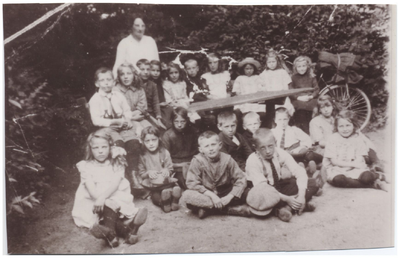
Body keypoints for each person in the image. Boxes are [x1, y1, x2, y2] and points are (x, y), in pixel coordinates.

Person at [72, 129, 147, 247]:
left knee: (111, 207)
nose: (100, 151)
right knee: (109, 208)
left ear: (110, 147)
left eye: (104, 147)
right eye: (96, 148)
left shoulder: (117, 163)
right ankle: (128, 231)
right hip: (93, 199)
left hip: (114, 194)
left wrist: (106, 200)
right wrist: (104, 201)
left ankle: (110, 235)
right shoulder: (86, 166)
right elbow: (91, 189)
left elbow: (115, 184)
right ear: (90, 149)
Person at [245, 128, 320, 222]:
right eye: (262, 148)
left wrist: (301, 195)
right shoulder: (252, 160)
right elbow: (264, 188)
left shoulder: (279, 152)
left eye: (270, 146)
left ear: (275, 143)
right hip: (262, 191)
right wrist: (287, 199)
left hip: (278, 186)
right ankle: (293, 206)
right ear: (255, 147)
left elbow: (299, 171)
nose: (268, 151)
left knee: (312, 183)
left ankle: (290, 207)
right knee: (263, 199)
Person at [88, 67, 141, 184]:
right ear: (97, 83)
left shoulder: (118, 96)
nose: (106, 82)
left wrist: (127, 119)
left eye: (109, 79)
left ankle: (133, 174)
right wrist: (112, 122)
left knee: (134, 144)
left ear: (113, 81)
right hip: (107, 129)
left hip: (123, 127)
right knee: (119, 145)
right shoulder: (95, 99)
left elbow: (127, 110)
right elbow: (95, 120)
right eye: (102, 80)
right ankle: (120, 176)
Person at [182, 131, 252, 219]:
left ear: (220, 145)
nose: (211, 148)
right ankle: (230, 210)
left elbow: (241, 179)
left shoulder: (228, 159)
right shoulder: (197, 160)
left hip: (225, 192)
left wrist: (229, 196)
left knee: (247, 192)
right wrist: (212, 196)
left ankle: (208, 209)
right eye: (206, 146)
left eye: (213, 144)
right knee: (187, 196)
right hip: (207, 194)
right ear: (201, 149)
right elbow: (192, 183)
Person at [322, 110, 388, 190]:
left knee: (366, 177)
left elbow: (360, 158)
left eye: (348, 125)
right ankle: (374, 184)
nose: (345, 129)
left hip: (355, 168)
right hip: (337, 169)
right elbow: (334, 161)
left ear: (354, 125)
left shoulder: (357, 138)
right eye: (341, 126)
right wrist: (353, 164)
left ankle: (378, 176)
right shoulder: (333, 139)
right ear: (337, 127)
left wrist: (356, 165)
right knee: (339, 180)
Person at [138, 126, 182, 212]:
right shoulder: (142, 156)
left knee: (174, 188)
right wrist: (148, 172)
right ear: (143, 142)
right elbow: (141, 174)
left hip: (166, 182)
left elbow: (170, 168)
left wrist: (167, 170)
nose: (151, 143)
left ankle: (174, 200)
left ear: (159, 139)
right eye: (147, 141)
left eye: (154, 140)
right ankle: (164, 203)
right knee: (155, 197)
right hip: (154, 185)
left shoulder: (165, 152)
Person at [271, 107, 318, 175]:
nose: (282, 122)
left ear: (289, 119)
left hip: (294, 153)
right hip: (281, 154)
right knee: (284, 162)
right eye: (279, 120)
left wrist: (301, 148)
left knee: (300, 157)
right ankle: (304, 168)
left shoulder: (294, 130)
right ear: (275, 120)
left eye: (285, 119)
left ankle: (305, 167)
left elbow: (308, 140)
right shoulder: (272, 132)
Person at [162, 107, 199, 189]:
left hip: (192, 164)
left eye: (183, 121)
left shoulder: (193, 132)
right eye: (176, 121)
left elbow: (198, 152)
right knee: (186, 183)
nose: (179, 125)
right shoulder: (168, 136)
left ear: (187, 120)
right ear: (172, 121)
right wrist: (180, 165)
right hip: (176, 167)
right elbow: (165, 160)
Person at [114, 62, 152, 134]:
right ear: (119, 77)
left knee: (150, 131)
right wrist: (131, 118)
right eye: (122, 74)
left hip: (139, 118)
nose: (126, 77)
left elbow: (142, 109)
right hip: (123, 121)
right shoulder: (115, 91)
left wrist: (133, 115)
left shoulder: (139, 90)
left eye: (129, 73)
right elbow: (118, 112)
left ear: (134, 75)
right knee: (135, 132)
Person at [259, 50, 293, 128]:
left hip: (281, 96)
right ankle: (271, 126)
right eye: (269, 62)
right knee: (269, 110)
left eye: (273, 61)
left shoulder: (282, 72)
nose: (271, 64)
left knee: (285, 107)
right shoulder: (264, 74)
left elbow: (287, 86)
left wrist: (283, 93)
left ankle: (284, 125)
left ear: (277, 61)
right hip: (269, 97)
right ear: (266, 63)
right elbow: (261, 86)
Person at [289, 56, 320, 134]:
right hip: (299, 99)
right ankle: (305, 131)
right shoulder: (293, 77)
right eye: (299, 66)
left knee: (315, 107)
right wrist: (298, 97)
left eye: (304, 66)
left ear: (307, 66)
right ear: (295, 68)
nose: (302, 68)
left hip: (310, 98)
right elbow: (290, 90)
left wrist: (311, 96)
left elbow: (316, 89)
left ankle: (314, 130)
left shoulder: (311, 76)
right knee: (301, 109)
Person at [137, 59, 165, 129]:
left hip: (150, 111)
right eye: (142, 69)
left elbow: (155, 102)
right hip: (140, 113)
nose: (146, 72)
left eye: (148, 69)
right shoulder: (136, 84)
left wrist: (158, 118)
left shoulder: (152, 85)